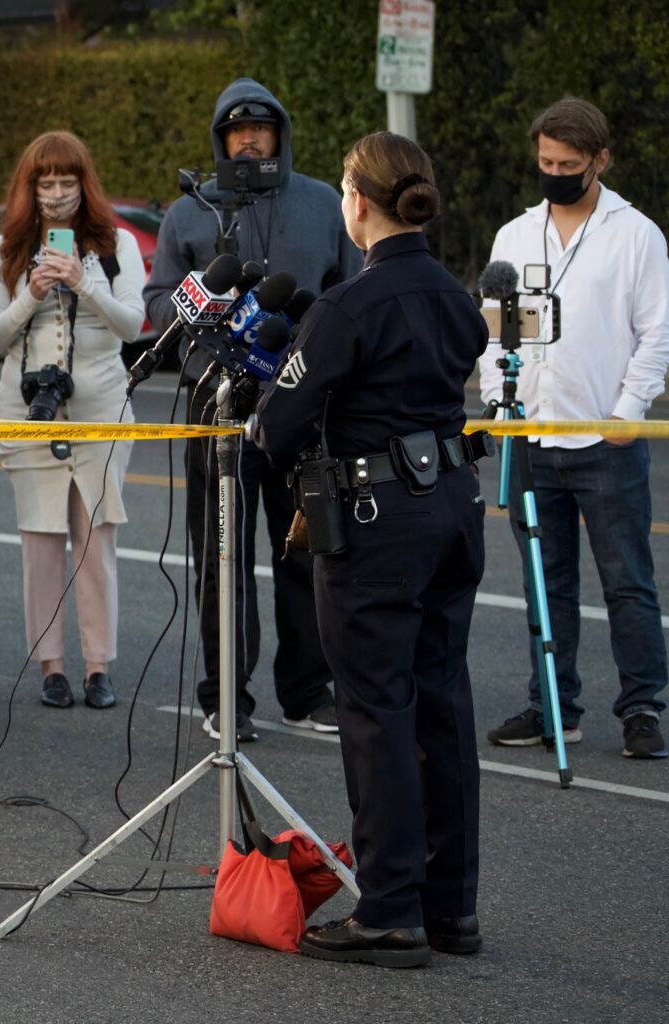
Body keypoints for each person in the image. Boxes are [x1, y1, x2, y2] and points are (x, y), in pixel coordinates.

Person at [252, 132, 489, 968]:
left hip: (377, 519)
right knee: (442, 703)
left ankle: (389, 909)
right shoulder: (454, 296)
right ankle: (449, 904)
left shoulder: (349, 305)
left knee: (376, 711)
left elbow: (275, 426)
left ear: (357, 201)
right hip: (453, 505)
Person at [142, 77, 363, 742]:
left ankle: (306, 690)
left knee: (304, 555)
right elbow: (156, 304)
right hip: (215, 410)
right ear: (221, 139)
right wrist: (199, 330)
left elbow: (351, 292)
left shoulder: (323, 204)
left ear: (279, 134)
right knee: (222, 560)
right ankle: (225, 699)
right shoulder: (191, 213)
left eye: (261, 130)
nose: (249, 140)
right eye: (237, 132)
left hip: (302, 413)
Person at [479, 98, 668, 760]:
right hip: (532, 437)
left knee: (627, 581)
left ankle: (642, 706)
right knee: (542, 577)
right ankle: (551, 703)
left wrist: (631, 407)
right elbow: (494, 326)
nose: (555, 173)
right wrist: (496, 401)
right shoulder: (515, 235)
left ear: (601, 161)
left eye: (569, 164)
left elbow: (655, 333)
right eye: (546, 162)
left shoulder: (636, 235)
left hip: (604, 439)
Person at [0, 131, 144, 712]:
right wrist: (32, 292)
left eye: (66, 183)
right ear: (28, 189)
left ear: (83, 184)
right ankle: (51, 666)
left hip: (101, 408)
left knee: (96, 542)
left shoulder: (116, 244)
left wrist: (81, 280)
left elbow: (131, 326)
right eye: (44, 184)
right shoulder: (3, 252)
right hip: (27, 411)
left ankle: (99, 666)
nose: (55, 195)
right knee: (40, 541)